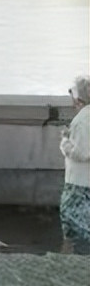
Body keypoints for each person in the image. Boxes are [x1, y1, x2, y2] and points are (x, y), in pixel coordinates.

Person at [59, 75, 90, 254]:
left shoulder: (83, 120)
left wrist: (65, 142)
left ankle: (70, 263)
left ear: (78, 98)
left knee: (72, 225)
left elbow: (82, 152)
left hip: (79, 184)